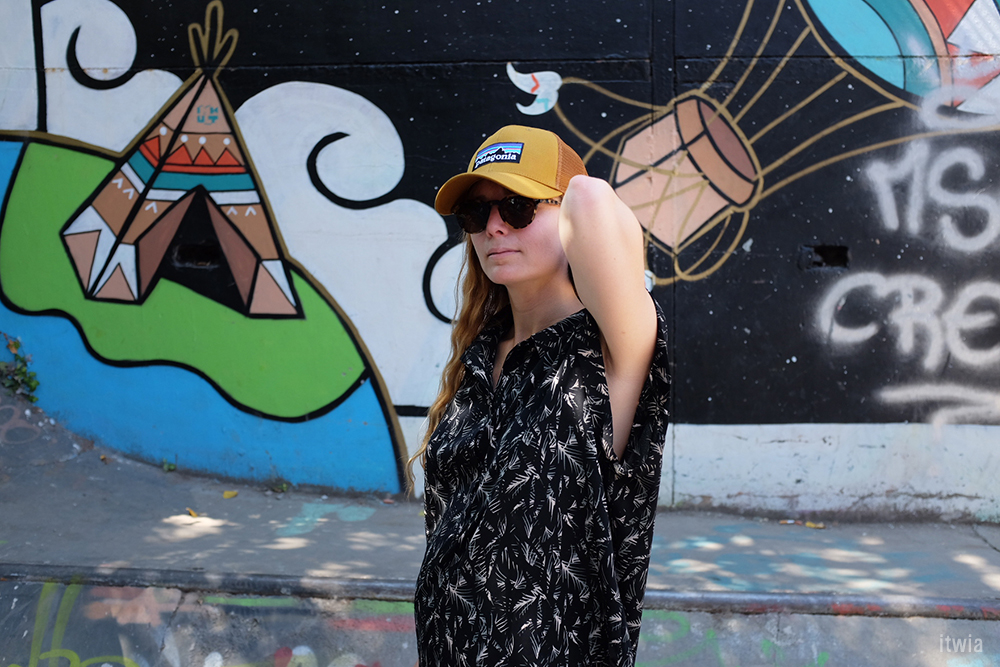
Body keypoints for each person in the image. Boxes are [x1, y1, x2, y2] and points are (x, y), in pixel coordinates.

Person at [409, 125, 671, 667]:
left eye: (519, 206)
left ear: (565, 217)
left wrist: (567, 186)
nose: (494, 227)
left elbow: (592, 198)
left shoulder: (609, 349)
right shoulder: (479, 355)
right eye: (476, 213)